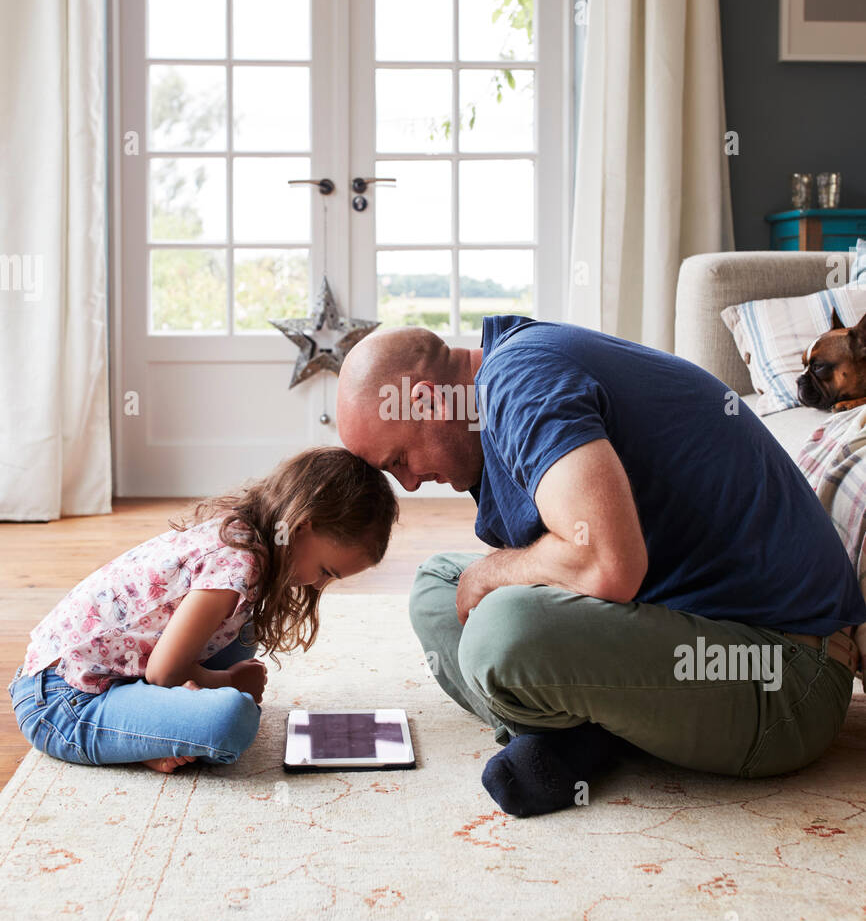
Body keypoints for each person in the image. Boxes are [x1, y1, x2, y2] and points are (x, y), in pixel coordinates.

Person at [336, 317, 866, 818]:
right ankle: (588, 735)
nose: (406, 484)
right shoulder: (504, 377)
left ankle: (581, 736)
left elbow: (606, 564)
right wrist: (489, 575)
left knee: (500, 632)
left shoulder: (518, 381)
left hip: (786, 672)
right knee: (436, 588)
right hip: (690, 626)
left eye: (398, 461)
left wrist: (493, 573)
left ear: (427, 401)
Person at [8, 448, 397, 772]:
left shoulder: (244, 531)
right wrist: (227, 682)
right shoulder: (238, 565)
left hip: (83, 673)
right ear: (300, 527)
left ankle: (147, 729)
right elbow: (164, 673)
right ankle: (140, 742)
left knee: (245, 634)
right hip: (62, 703)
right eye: (325, 571)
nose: (318, 585)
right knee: (232, 719)